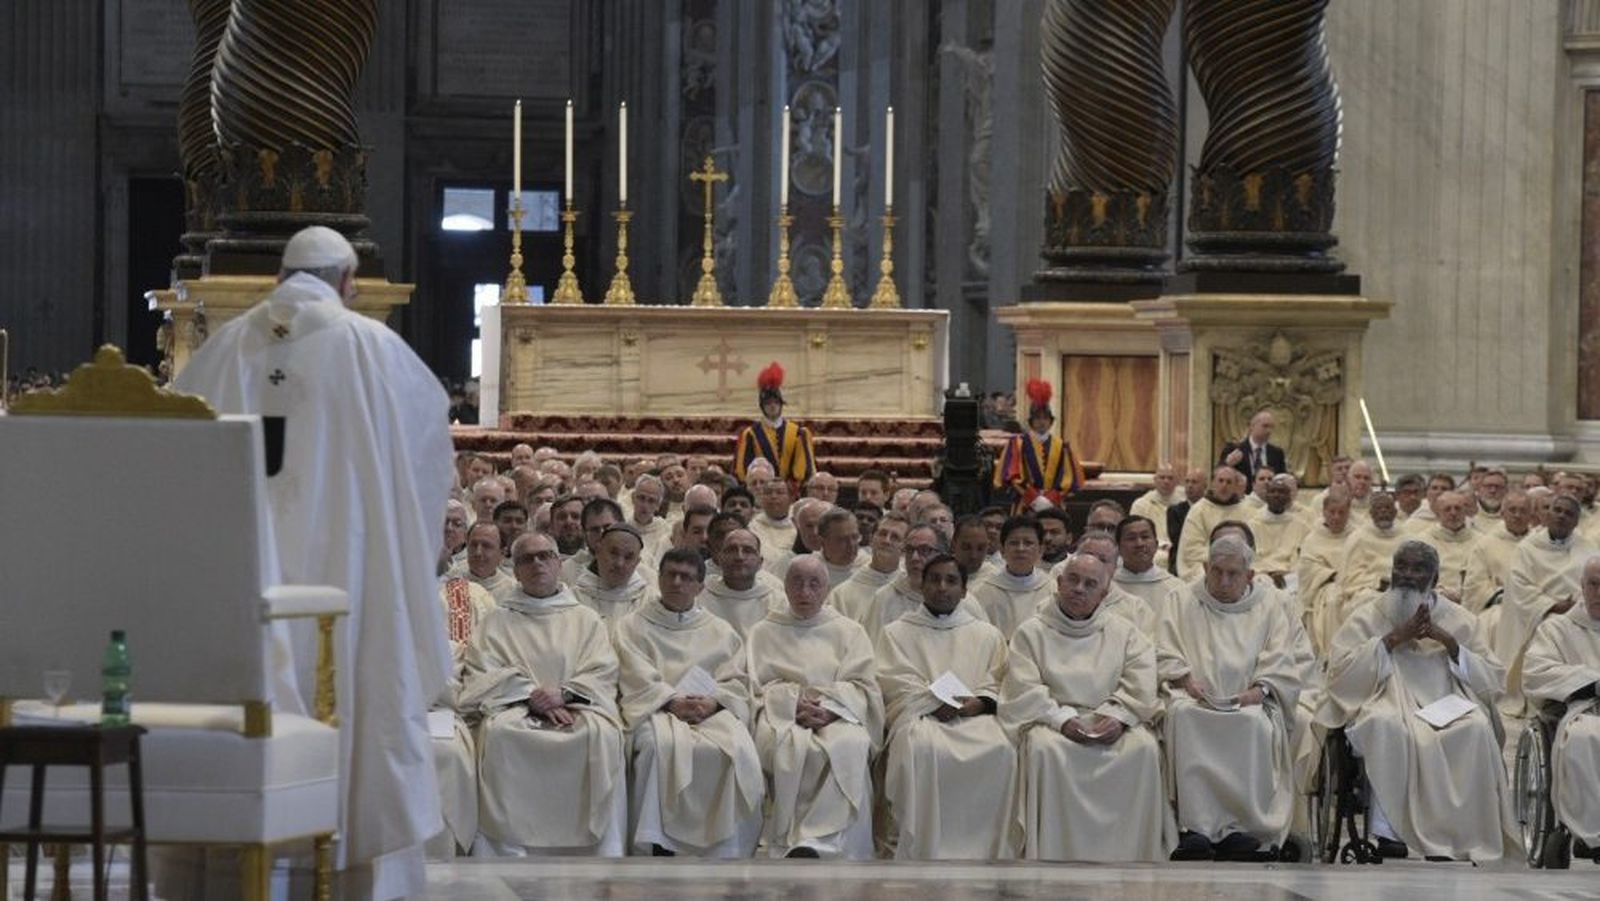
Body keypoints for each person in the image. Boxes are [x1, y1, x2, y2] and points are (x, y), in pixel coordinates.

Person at [174, 225, 454, 896]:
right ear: (349, 281)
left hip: (242, 586)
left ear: (281, 275)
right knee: (359, 693)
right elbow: (424, 461)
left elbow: (178, 468)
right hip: (349, 574)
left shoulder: (219, 352)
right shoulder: (374, 350)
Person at [1319, 541, 1514, 862]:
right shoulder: (1368, 615)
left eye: (1418, 569)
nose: (1407, 575)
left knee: (1476, 728)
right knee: (1385, 725)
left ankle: (1455, 834)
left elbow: (1493, 678)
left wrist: (1449, 642)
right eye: (1402, 567)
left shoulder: (1460, 620)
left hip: (1446, 701)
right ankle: (1388, 832)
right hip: (1386, 698)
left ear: (1435, 578)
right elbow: (1340, 674)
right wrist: (1394, 638)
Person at [463, 532, 627, 857]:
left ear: (559, 563)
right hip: (515, 708)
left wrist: (564, 694)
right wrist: (530, 695)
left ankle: (596, 851)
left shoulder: (585, 618)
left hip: (578, 707)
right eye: (527, 559)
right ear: (515, 569)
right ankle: (508, 849)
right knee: (500, 734)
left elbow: (603, 670)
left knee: (604, 736)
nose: (537, 564)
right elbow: (481, 672)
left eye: (544, 556)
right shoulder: (496, 620)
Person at [1002, 554, 1170, 862]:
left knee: (1144, 748)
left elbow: (1140, 679)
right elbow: (1023, 688)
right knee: (1043, 750)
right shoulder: (1031, 631)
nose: (1079, 589)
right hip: (1052, 721)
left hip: (1110, 717)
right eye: (1073, 580)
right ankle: (1053, 857)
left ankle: (1129, 858)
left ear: (1104, 594)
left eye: (1090, 584)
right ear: (1059, 583)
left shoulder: (1124, 631)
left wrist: (1120, 717)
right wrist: (1062, 721)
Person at [1158, 536, 1306, 860]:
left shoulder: (1270, 606)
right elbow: (1164, 650)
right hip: (1192, 696)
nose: (1224, 581)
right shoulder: (1180, 600)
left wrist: (1259, 690)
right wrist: (1185, 679)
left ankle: (1241, 827)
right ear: (1205, 568)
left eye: (1233, 574)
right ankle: (1196, 828)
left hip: (1249, 700)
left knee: (1253, 724)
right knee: (1185, 717)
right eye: (1217, 572)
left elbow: (1280, 657)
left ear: (1250, 576)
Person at [614, 549, 765, 858]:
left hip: (710, 712)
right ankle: (656, 841)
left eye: (686, 577)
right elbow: (634, 674)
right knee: (656, 746)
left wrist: (714, 702)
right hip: (658, 711)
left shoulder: (720, 630)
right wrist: (669, 701)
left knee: (737, 749)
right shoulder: (632, 626)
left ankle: (726, 845)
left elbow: (735, 679)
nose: (677, 583)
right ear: (658, 578)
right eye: (670, 575)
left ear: (700, 586)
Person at [878, 554, 1019, 859]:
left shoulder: (987, 634)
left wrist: (980, 701)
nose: (942, 587)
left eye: (951, 580)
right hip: (922, 717)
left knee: (1003, 748)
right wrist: (930, 702)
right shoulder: (896, 632)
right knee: (917, 745)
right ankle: (922, 847)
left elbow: (999, 679)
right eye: (935, 579)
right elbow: (893, 680)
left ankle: (986, 848)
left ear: (965, 590)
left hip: (975, 717)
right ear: (921, 586)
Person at [747, 556, 884, 858]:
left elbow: (863, 685)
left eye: (814, 584)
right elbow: (754, 687)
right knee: (784, 744)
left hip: (836, 714)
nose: (805, 592)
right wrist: (789, 704)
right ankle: (787, 837)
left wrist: (832, 709)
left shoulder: (850, 631)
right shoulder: (763, 631)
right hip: (781, 715)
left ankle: (826, 840)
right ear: (784, 586)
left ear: (827, 589)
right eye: (797, 583)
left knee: (852, 742)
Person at [1520, 556, 1600, 856]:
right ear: (1581, 587)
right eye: (1594, 585)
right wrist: (1592, 682)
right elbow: (1537, 671)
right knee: (1585, 738)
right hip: (1583, 709)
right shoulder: (1557, 629)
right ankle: (1591, 833)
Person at [1495, 495, 1597, 713]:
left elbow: (1592, 583)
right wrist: (1551, 605)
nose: (1561, 516)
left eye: (1568, 513)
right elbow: (1519, 586)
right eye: (1557, 510)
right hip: (1539, 613)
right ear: (1546, 515)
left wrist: (1577, 604)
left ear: (1577, 521)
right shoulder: (1527, 548)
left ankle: (1585, 686)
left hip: (1582, 611)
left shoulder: (1588, 549)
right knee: (1553, 628)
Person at [428, 572, 498, 858]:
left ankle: (444, 850)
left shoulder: (467, 595)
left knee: (450, 754)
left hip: (436, 714)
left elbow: (453, 688)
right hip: (381, 718)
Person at [860, 524, 990, 646]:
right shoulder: (884, 599)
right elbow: (870, 651)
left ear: (942, 555)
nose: (915, 558)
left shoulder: (965, 603)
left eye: (925, 550)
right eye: (910, 550)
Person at [992, 379, 1085, 514]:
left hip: (1054, 505)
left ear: (1051, 421)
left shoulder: (1062, 446)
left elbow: (1068, 478)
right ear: (1031, 421)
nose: (1041, 422)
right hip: (1025, 505)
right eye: (1037, 418)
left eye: (1045, 418)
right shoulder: (1018, 443)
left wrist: (1051, 498)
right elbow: (1012, 474)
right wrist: (1033, 499)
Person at [734, 362, 817, 487]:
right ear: (762, 407)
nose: (772, 406)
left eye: (776, 403)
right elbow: (743, 467)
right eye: (768, 403)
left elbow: (803, 466)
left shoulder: (798, 432)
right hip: (761, 487)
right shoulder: (750, 433)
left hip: (789, 489)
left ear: (781, 405)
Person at [970, 516, 1053, 639]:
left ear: (1040, 550)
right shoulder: (982, 592)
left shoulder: (1052, 590)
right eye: (1014, 543)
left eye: (1028, 543)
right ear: (1002, 550)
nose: (1021, 549)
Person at [699, 527, 784, 640]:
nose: (739, 557)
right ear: (720, 559)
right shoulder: (700, 596)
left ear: (760, 562)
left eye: (748, 550)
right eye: (732, 549)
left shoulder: (777, 601)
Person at [1297, 487, 1354, 654]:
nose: (1336, 517)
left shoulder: (1356, 536)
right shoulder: (1313, 538)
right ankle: (1330, 654)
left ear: (1348, 513)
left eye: (1341, 512)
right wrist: (1331, 575)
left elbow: (1363, 566)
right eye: (1332, 512)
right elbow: (1307, 569)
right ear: (1324, 512)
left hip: (1353, 587)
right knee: (1332, 601)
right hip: (1322, 589)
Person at [827, 512, 909, 624]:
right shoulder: (841, 594)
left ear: (905, 547)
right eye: (882, 534)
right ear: (871, 539)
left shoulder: (909, 591)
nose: (886, 541)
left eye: (895, 537)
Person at [1462, 489, 1532, 613]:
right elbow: (1474, 586)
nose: (1517, 515)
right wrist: (1498, 594)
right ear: (1503, 513)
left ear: (1531, 515)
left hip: (1534, 608)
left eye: (1523, 511)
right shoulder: (1484, 545)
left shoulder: (1539, 543)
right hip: (1498, 609)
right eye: (1512, 510)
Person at [1174, 466, 1248, 580]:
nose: (1224, 485)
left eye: (1229, 482)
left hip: (1237, 563)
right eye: (1220, 481)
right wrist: (1223, 557)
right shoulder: (1198, 510)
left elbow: (1252, 546)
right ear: (1213, 484)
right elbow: (1191, 549)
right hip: (1202, 563)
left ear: (1235, 487)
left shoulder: (1245, 511)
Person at [571, 523, 656, 620]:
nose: (619, 564)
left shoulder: (650, 602)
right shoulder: (574, 598)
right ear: (598, 551)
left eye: (628, 557)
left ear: (637, 562)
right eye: (614, 553)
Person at [1113, 515, 1186, 626]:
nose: (1139, 544)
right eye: (1131, 538)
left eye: (1145, 537)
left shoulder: (1176, 588)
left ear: (1156, 544)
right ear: (1118, 548)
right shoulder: (1108, 587)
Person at [1249, 475, 1311, 590]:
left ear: (1289, 498)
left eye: (1281, 492)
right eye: (1272, 491)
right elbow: (1250, 558)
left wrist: (1286, 573)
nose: (1276, 495)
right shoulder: (1252, 525)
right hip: (1261, 574)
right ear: (1266, 496)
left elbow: (1304, 558)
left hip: (1290, 575)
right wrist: (1267, 573)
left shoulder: (1301, 527)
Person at [1419, 491, 1481, 601]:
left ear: (1465, 511)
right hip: (1436, 601)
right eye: (1447, 509)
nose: (1453, 513)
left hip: (1472, 601)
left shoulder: (1481, 541)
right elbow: (1419, 578)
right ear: (1437, 513)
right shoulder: (1422, 542)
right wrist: (1440, 593)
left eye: (1458, 508)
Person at [1129, 463, 1185, 557]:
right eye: (1162, 477)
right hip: (1150, 552)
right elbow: (1134, 534)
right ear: (1155, 480)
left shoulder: (1184, 504)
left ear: (1176, 481)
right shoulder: (1141, 505)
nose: (1166, 481)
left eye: (1170, 478)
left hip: (1178, 551)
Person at [1219, 410, 1287, 483]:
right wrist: (1227, 464)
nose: (1269, 431)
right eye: (1265, 426)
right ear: (1252, 426)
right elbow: (1217, 474)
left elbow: (1282, 478)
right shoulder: (1234, 449)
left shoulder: (1277, 453)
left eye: (1271, 427)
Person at [1165, 468, 1208, 570]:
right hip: (1182, 557)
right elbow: (1178, 540)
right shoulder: (1175, 511)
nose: (1189, 486)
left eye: (1194, 482)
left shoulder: (1211, 509)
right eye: (1187, 482)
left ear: (1205, 486)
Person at [461, 521, 516, 601]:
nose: (478, 552)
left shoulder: (512, 591)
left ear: (502, 553)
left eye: (487, 546)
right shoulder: (450, 584)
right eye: (474, 545)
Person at [814, 506, 867, 587]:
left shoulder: (868, 565)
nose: (851, 545)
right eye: (842, 540)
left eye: (855, 537)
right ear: (822, 542)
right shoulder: (811, 569)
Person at [627, 474, 673, 561]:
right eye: (641, 498)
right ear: (633, 498)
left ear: (658, 505)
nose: (645, 505)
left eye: (651, 501)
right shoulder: (623, 526)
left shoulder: (666, 530)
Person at [748, 479, 798, 554]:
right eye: (768, 493)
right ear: (761, 498)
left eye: (779, 492)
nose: (773, 496)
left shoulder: (799, 526)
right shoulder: (752, 527)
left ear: (791, 498)